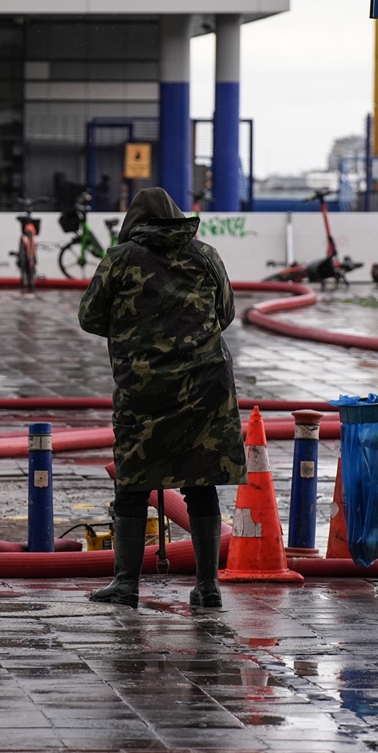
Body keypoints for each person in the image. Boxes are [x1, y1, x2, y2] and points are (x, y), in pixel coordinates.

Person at [77, 187, 246, 610]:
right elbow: (225, 313)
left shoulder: (121, 259)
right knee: (201, 481)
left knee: (133, 484)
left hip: (144, 388)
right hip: (206, 385)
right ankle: (208, 588)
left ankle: (126, 585)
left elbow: (90, 317)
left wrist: (139, 329)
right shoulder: (205, 255)